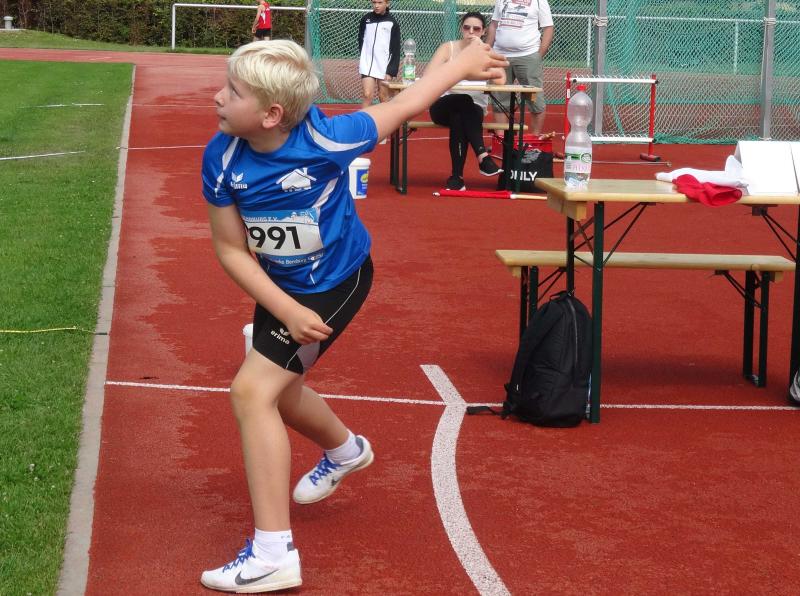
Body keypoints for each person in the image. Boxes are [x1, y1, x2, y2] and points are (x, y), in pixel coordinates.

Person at [199, 39, 507, 593]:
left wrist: (460, 64)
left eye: (233, 91)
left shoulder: (329, 138)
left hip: (337, 282)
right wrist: (284, 307)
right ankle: (346, 451)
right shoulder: (221, 157)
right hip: (282, 290)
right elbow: (230, 249)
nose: (218, 97)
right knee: (280, 394)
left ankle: (272, 554)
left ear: (271, 114)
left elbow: (407, 104)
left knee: (251, 393)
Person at [428, 12, 506, 191]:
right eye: (466, 28)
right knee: (463, 99)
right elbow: (429, 74)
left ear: (483, 32)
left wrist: (484, 51)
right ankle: (483, 157)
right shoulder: (448, 48)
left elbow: (501, 80)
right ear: (461, 29)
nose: (471, 32)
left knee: (460, 116)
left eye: (476, 29)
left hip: (473, 110)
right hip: (443, 106)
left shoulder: (486, 52)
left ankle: (457, 178)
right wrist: (461, 71)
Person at [485, 0, 554, 135]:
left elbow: (548, 27)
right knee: (499, 99)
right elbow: (494, 24)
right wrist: (487, 50)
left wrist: (538, 55)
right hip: (500, 56)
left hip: (528, 55)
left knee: (535, 100)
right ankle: (501, 140)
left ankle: (534, 141)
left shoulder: (539, 1)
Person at [357, 0, 400, 109]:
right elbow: (361, 40)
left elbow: (395, 48)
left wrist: (390, 71)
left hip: (384, 66)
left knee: (383, 96)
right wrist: (364, 56)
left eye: (380, 2)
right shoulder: (366, 19)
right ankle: (363, 120)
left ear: (387, 3)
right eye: (374, 2)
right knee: (367, 95)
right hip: (367, 64)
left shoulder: (392, 22)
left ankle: (387, 120)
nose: (376, 5)